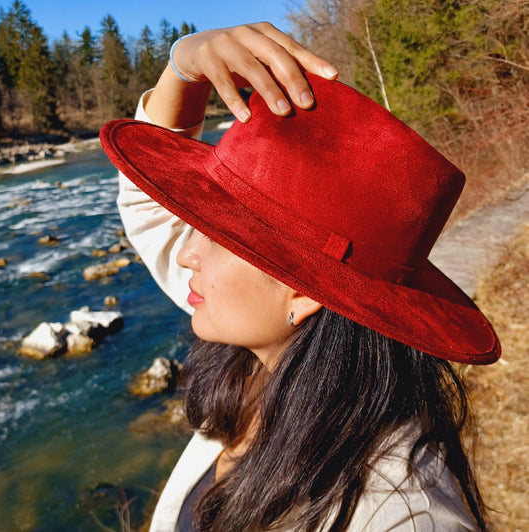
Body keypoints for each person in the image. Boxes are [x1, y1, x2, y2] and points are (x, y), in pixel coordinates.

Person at [100, 22, 500, 532]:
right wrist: (185, 66)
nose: (185, 254)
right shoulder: (272, 352)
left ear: (304, 290)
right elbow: (149, 210)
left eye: (220, 236)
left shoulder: (405, 518)